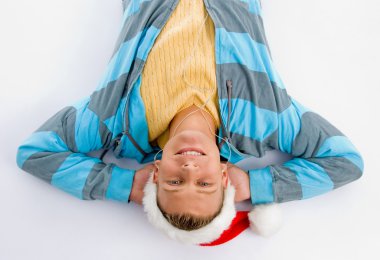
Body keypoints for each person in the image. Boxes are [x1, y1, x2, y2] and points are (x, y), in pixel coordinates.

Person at [16, 0, 364, 246]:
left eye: (175, 181)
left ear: (154, 174)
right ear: (225, 177)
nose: (189, 167)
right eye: (206, 184)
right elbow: (346, 161)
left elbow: (34, 152)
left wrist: (121, 185)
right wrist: (256, 187)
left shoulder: (115, 118)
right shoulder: (265, 120)